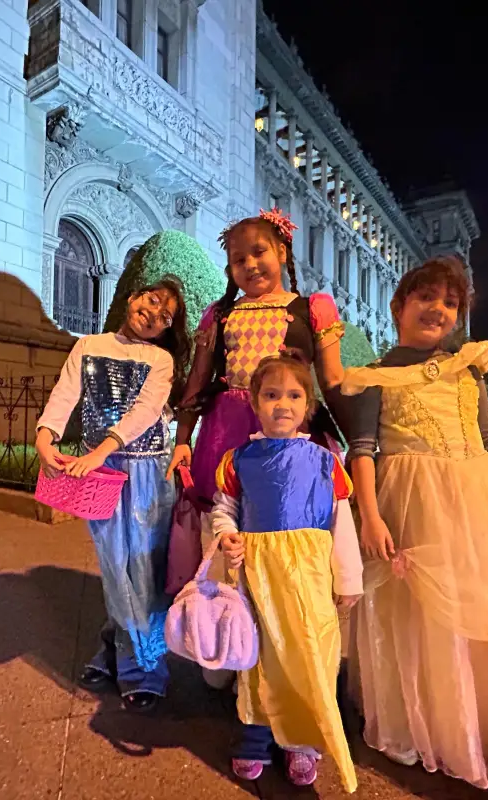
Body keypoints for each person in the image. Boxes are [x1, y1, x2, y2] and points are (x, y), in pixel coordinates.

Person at [336, 255, 488, 794]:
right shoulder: (375, 375)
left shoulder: (469, 369)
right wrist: (369, 515)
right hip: (409, 502)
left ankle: (482, 723)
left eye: (450, 302)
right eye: (426, 298)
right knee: (417, 615)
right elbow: (362, 450)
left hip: (475, 499)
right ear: (399, 307)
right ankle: (428, 723)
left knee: (477, 602)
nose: (438, 309)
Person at [167, 208, 346, 688]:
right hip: (227, 432)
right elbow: (197, 379)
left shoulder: (313, 310)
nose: (249, 265)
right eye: (237, 259)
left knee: (289, 537)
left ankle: (284, 650)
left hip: (292, 436)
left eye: (259, 252)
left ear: (282, 252)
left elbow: (332, 382)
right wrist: (183, 439)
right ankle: (226, 641)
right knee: (226, 533)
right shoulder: (220, 313)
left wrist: (364, 441)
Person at [35, 277, 191, 714]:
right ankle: (116, 648)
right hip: (99, 473)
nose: (155, 313)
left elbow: (144, 412)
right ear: (134, 296)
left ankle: (144, 669)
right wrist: (45, 437)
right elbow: (66, 394)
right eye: (153, 300)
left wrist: (101, 450)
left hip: (145, 470)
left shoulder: (160, 360)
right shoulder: (87, 345)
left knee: (143, 570)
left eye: (167, 316)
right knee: (114, 568)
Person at [213, 353, 363, 791]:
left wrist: (348, 578)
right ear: (256, 403)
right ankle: (256, 735)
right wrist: (226, 536)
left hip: (309, 576)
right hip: (258, 573)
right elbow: (226, 509)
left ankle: (303, 742)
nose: (283, 403)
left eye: (294, 395)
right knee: (259, 657)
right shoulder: (238, 459)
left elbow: (342, 522)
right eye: (271, 394)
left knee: (309, 654)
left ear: (308, 405)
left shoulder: (324, 460)